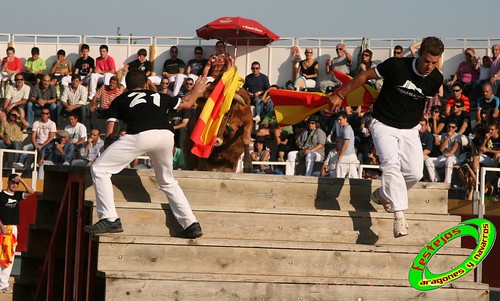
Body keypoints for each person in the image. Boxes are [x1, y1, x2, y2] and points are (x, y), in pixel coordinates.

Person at [328, 36, 445, 238]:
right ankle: (399, 216)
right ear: (418, 54)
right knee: (391, 165)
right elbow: (364, 76)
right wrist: (340, 94)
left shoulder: (436, 79)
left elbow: (420, 104)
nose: (429, 66)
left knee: (415, 173)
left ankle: (382, 195)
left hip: (409, 129)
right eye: (426, 61)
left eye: (434, 63)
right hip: (383, 123)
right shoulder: (396, 65)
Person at [84, 70, 207, 238]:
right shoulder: (161, 96)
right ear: (147, 84)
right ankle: (191, 223)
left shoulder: (119, 99)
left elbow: (111, 130)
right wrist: (196, 90)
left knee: (99, 169)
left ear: (127, 86)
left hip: (139, 135)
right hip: (166, 136)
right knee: (167, 181)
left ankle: (109, 218)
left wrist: (107, 147)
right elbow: (187, 103)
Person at [0, 174, 35, 294]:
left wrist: (21, 180)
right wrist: (2, 227)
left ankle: (3, 284)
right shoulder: (1, 196)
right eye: (13, 182)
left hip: (12, 230)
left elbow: (31, 191)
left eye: (17, 183)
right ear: (8, 182)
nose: (15, 185)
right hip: (2, 228)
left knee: (9, 256)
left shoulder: (18, 195)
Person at [334, 111, 359, 178]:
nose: (339, 122)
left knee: (339, 178)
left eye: (340, 119)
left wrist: (340, 156)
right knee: (354, 178)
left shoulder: (347, 129)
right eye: (338, 120)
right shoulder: (344, 128)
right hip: (351, 156)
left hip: (346, 156)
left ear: (345, 119)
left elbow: (346, 144)